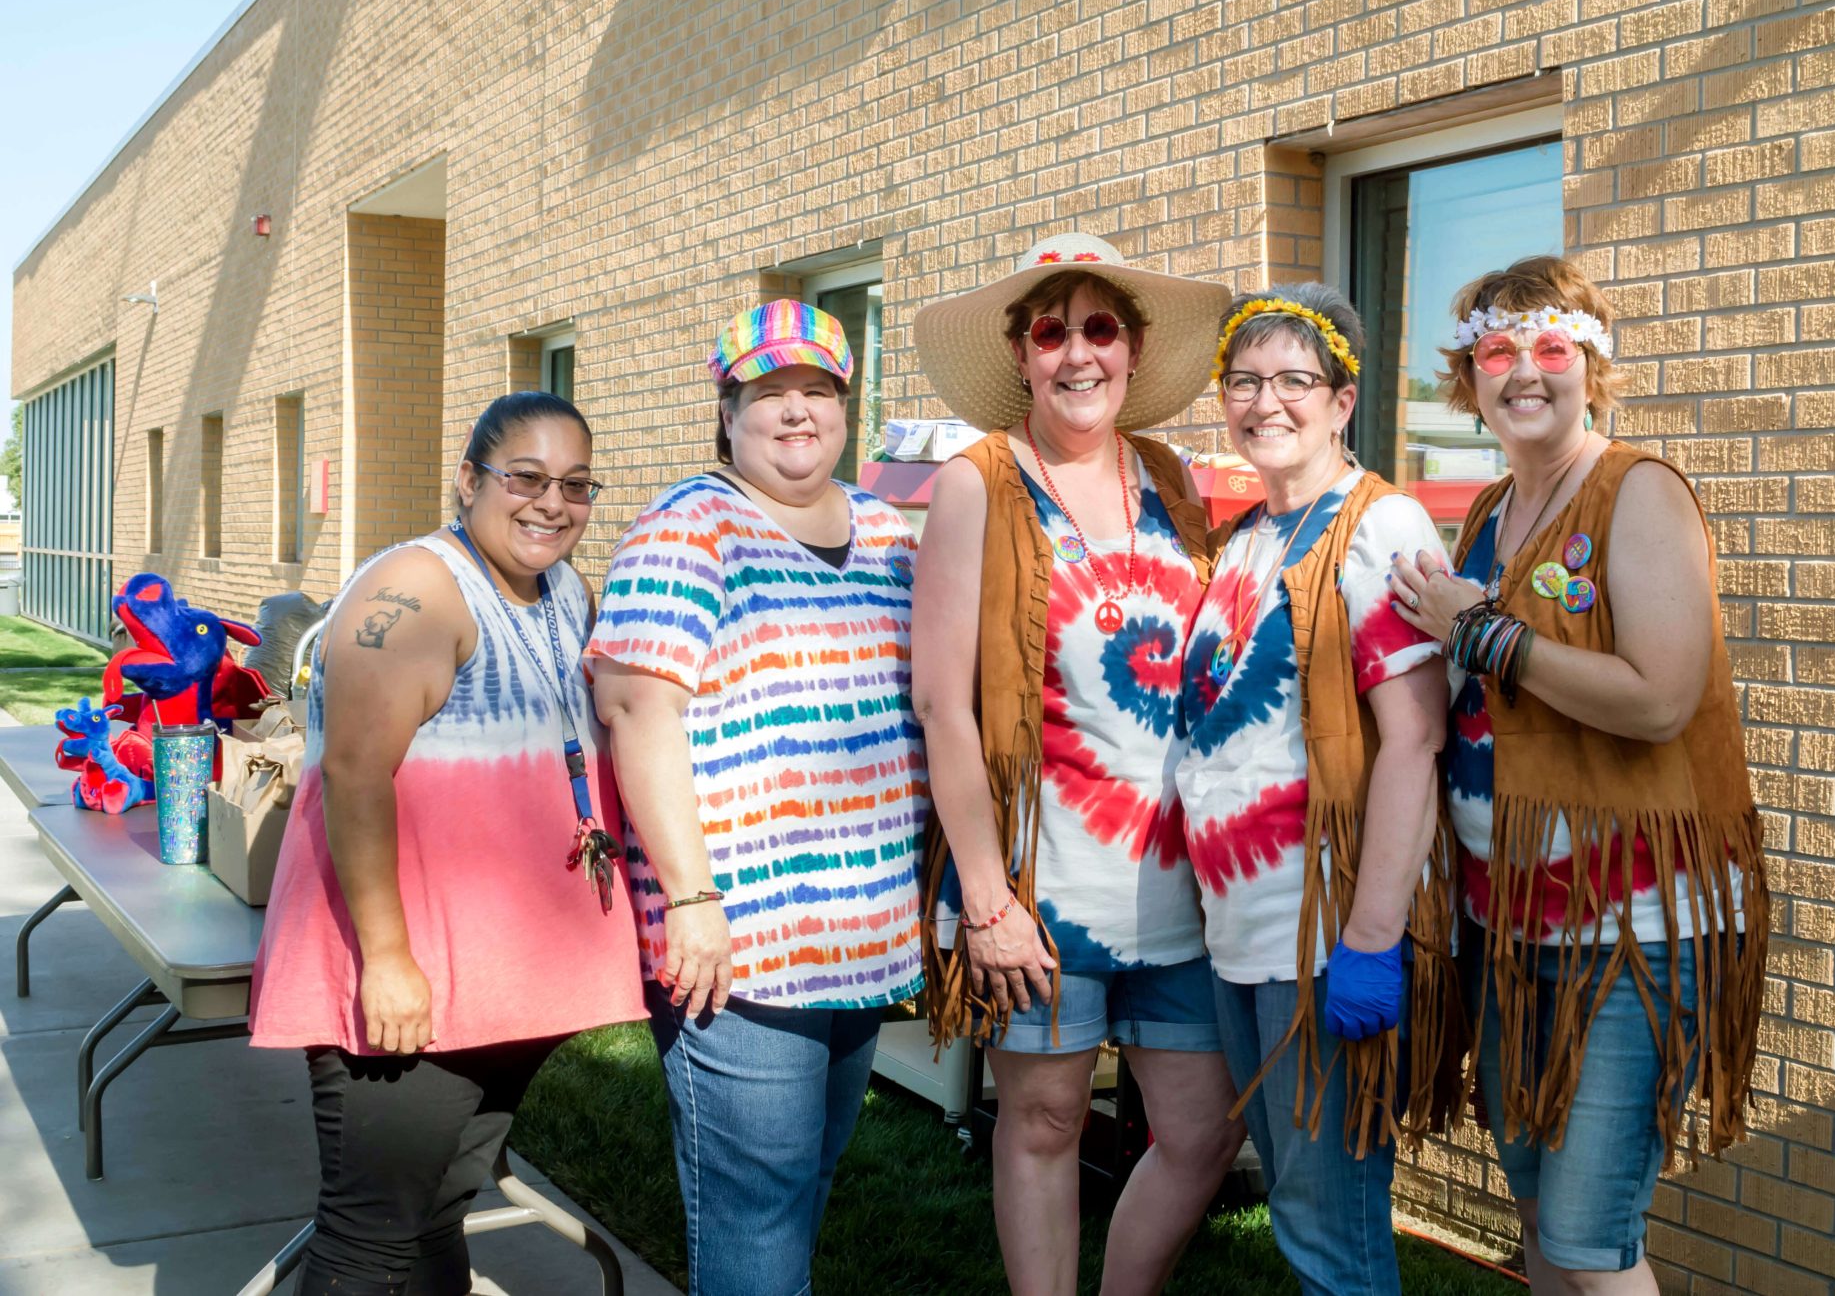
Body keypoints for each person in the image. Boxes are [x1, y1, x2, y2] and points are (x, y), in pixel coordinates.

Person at [1389, 256, 1768, 1295]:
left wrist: (1482, 632)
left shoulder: (1636, 491)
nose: (1523, 372)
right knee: (1538, 1220)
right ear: (1466, 377)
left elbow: (1659, 697)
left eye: (1550, 348)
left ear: (1590, 368)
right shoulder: (1485, 514)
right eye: (1495, 351)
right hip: (1508, 928)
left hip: (1632, 932)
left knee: (1590, 1241)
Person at [910, 232, 1245, 1296]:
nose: (1076, 353)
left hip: (1184, 885)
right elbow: (943, 702)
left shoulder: (1169, 475)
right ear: (1020, 353)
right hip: (1042, 885)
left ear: (1133, 348)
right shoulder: (978, 484)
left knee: (1202, 1131)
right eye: (1051, 332)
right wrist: (984, 896)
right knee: (1047, 1118)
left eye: (1099, 328)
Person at [250, 391, 644, 1295]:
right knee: (369, 1235)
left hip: (503, 976)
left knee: (436, 1208)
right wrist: (388, 962)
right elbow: (354, 774)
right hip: (410, 969)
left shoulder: (565, 590)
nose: (553, 503)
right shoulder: (418, 589)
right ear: (469, 480)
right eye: (527, 477)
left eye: (576, 485)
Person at [586, 300, 926, 1296]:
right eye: (769, 392)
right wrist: (692, 902)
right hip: (740, 943)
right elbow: (637, 711)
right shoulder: (689, 526)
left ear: (847, 409)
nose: (796, 411)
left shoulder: (885, 529)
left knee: (800, 1191)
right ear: (727, 414)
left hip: (861, 931)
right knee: (756, 1216)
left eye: (817, 390)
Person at [1175, 285, 1461, 1295]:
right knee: (1300, 1210)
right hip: (1240, 931)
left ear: (1342, 402)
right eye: (1244, 381)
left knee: (1328, 1231)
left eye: (1294, 379)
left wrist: (1371, 941)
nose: (1266, 402)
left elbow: (1415, 736)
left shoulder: (1378, 527)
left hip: (1322, 934)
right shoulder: (1249, 538)